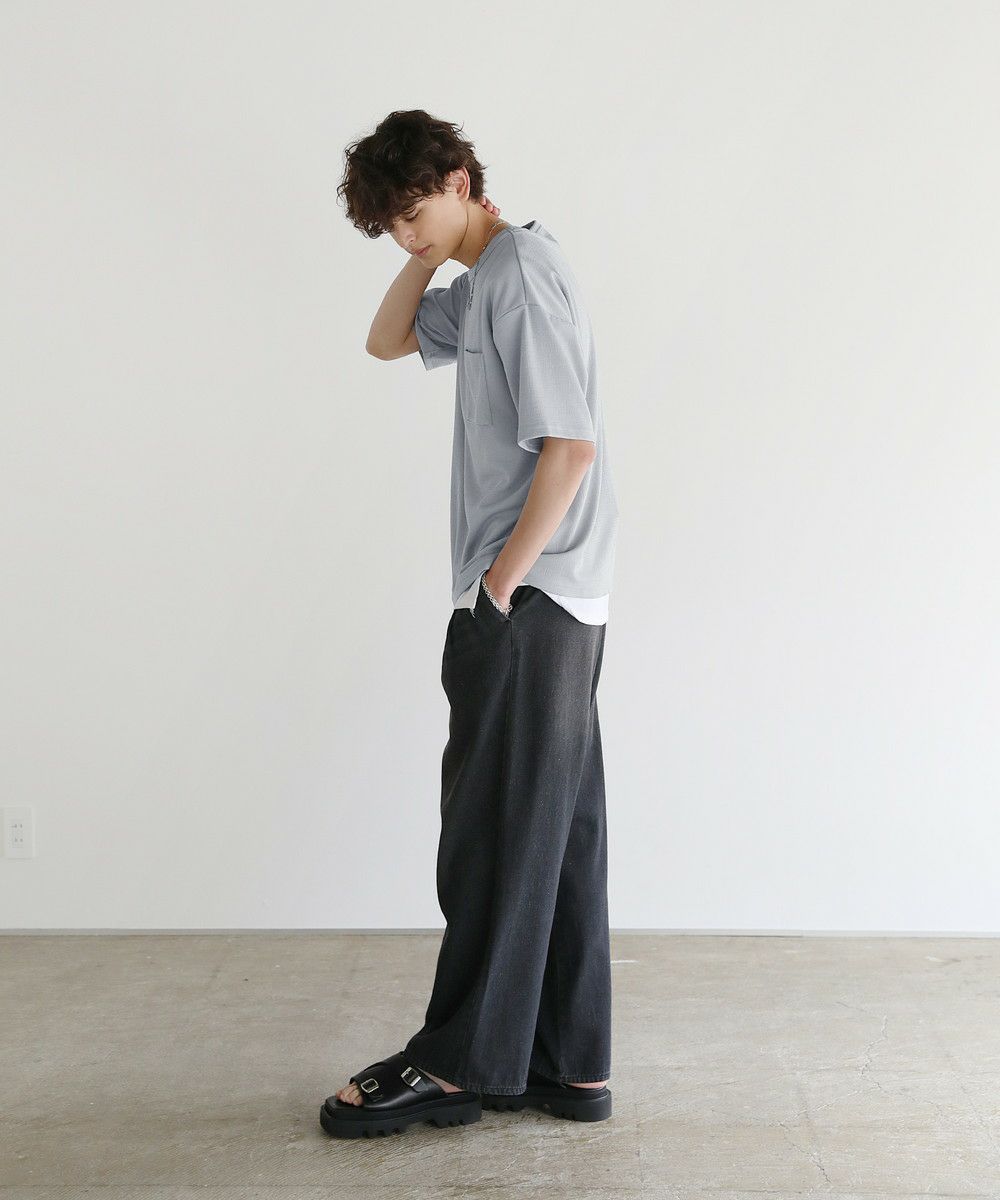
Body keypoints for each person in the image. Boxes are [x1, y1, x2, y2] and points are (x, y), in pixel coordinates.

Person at [321, 109, 619, 1138]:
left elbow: (570, 446)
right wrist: (431, 248)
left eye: (415, 211)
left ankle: (458, 1065)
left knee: (490, 832)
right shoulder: (485, 277)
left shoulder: (521, 273)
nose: (405, 236)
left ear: (459, 178)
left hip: (532, 595)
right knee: (555, 834)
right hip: (554, 594)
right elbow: (386, 341)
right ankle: (568, 1064)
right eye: (389, 226)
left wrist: (498, 589)